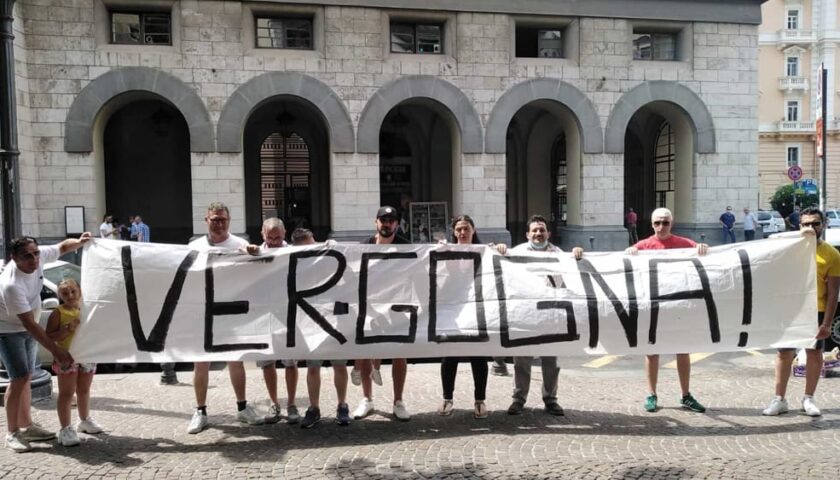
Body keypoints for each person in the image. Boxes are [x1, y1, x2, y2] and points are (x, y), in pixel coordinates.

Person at [0, 233, 91, 452]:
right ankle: (12, 432)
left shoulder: (39, 258)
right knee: (19, 377)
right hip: (8, 330)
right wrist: (57, 351)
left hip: (26, 328)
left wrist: (79, 242)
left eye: (36, 253)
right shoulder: (11, 284)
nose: (34, 260)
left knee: (27, 376)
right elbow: (30, 324)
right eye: (27, 256)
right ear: (14, 258)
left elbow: (62, 247)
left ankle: (27, 425)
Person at [186, 202, 264, 434]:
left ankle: (242, 407)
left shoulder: (241, 244)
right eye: (214, 219)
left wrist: (255, 254)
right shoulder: (194, 246)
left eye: (223, 220)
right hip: (203, 308)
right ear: (206, 220)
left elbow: (256, 270)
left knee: (235, 359)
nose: (219, 224)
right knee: (201, 361)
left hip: (231, 309)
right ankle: (200, 411)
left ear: (229, 221)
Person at [626, 207, 709, 413]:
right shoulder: (643, 246)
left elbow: (707, 256)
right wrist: (630, 253)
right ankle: (652, 394)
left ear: (671, 223)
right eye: (657, 223)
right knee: (652, 352)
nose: (661, 226)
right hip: (653, 305)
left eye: (665, 222)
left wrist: (704, 248)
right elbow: (625, 264)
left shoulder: (684, 244)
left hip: (678, 305)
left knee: (682, 351)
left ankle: (686, 395)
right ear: (651, 224)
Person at [763, 207, 840, 417]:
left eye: (815, 223)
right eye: (806, 223)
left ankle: (809, 398)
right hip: (790, 310)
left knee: (814, 354)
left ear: (823, 225)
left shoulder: (831, 254)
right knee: (784, 353)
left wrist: (826, 324)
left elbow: (833, 293)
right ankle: (779, 399)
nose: (810, 227)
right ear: (799, 226)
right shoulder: (788, 249)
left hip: (816, 311)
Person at [504, 215, 583, 416]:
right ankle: (519, 399)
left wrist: (576, 254)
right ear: (527, 234)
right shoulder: (518, 252)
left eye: (542, 230)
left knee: (551, 361)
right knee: (522, 360)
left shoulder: (559, 253)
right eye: (535, 231)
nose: (538, 234)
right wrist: (498, 249)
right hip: (526, 314)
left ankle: (550, 399)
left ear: (548, 233)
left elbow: (569, 278)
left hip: (551, 314)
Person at [436, 215, 502, 419]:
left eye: (466, 228)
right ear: (454, 232)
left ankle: (480, 401)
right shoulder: (445, 251)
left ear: (473, 230)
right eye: (458, 229)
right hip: (453, 310)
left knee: (478, 355)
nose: (462, 233)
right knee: (450, 355)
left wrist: (499, 249)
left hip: (477, 309)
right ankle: (447, 399)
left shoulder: (485, 252)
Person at [290, 228, 353, 428]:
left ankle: (342, 405)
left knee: (339, 365)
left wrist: (339, 250)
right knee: (313, 366)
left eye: (313, 244)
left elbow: (349, 276)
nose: (313, 249)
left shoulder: (330, 255)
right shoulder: (296, 262)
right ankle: (314, 407)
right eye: (308, 246)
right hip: (311, 318)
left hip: (334, 315)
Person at [353, 206, 411, 421]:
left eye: (391, 220)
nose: (386, 224)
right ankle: (367, 399)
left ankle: (398, 401)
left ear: (397, 224)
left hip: (399, 307)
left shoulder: (406, 247)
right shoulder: (364, 246)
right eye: (383, 220)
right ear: (375, 222)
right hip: (370, 307)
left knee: (399, 354)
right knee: (368, 352)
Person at [245, 217, 301, 424]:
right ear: (262, 234)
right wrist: (247, 252)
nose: (274, 242)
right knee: (267, 362)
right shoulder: (253, 253)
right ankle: (274, 403)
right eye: (270, 238)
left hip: (288, 313)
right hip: (264, 315)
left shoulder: (293, 251)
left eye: (278, 238)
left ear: (284, 233)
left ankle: (292, 403)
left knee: (290, 362)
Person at [46, 278, 103, 447]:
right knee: (67, 393)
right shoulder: (58, 312)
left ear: (80, 291)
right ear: (59, 295)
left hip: (86, 355)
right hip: (67, 357)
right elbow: (49, 336)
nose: (70, 295)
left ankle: (84, 420)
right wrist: (66, 330)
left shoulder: (86, 309)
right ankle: (65, 428)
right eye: (65, 292)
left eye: (73, 291)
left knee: (84, 390)